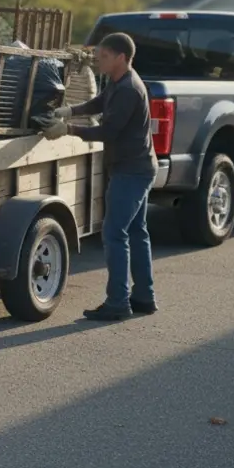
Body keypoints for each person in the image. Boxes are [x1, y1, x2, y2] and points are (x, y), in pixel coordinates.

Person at [41, 32, 157, 321]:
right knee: (136, 232)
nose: (98, 61)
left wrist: (67, 130)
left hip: (132, 171)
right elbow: (99, 103)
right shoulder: (118, 82)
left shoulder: (130, 88)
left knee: (114, 232)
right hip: (136, 167)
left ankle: (118, 302)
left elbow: (108, 132)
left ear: (120, 57)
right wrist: (69, 111)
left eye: (104, 56)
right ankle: (144, 297)